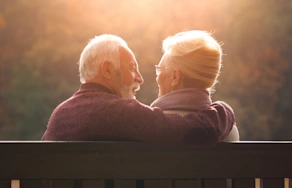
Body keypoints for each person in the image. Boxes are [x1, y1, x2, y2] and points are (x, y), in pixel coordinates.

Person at [41, 34, 235, 146]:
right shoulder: (118, 112)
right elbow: (193, 132)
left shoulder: (61, 113)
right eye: (132, 68)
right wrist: (224, 110)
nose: (140, 79)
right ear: (108, 70)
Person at [150, 30, 239, 141]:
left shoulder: (152, 126)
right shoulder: (229, 129)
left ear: (174, 77)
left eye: (160, 70)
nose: (157, 78)